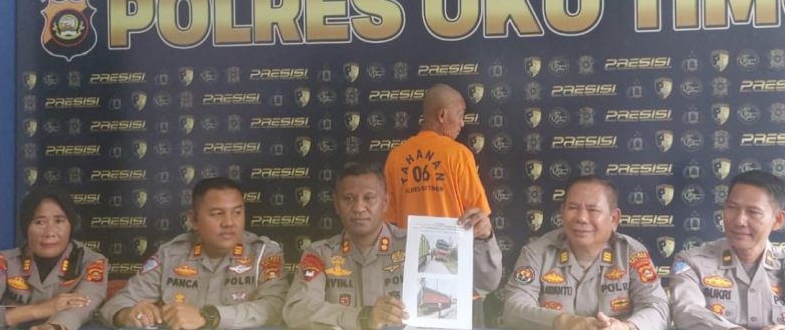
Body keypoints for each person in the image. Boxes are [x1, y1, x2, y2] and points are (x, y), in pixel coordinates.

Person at [284, 163, 501, 330]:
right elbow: (296, 310)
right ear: (336, 204)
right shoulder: (320, 254)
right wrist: (363, 317)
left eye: (369, 198)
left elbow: (484, 284)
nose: (359, 207)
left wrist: (484, 240)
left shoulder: (418, 244)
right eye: (349, 199)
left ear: (386, 202)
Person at [669, 170, 785, 330]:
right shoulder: (692, 263)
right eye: (732, 208)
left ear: (777, 220)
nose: (739, 220)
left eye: (753, 212)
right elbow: (685, 312)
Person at [100, 177, 287, 329]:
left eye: (237, 212)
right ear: (194, 220)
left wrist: (209, 316)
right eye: (217, 214)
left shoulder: (264, 253)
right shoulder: (171, 254)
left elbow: (275, 308)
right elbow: (117, 303)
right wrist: (127, 314)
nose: (229, 223)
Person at [503, 177, 669, 330]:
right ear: (562, 212)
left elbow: (657, 308)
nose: (581, 218)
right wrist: (563, 322)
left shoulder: (631, 253)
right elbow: (513, 309)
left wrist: (627, 327)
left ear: (614, 218)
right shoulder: (537, 252)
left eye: (593, 210)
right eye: (573, 208)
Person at [0, 186, 108, 330]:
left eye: (59, 221)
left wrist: (54, 326)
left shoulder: (91, 262)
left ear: (71, 225)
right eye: (40, 222)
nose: (50, 232)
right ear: (26, 227)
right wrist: (38, 310)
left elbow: (83, 308)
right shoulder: (5, 261)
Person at [383, 83, 491, 228]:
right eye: (460, 115)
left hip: (407, 242)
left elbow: (389, 219)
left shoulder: (395, 156)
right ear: (442, 115)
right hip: (451, 242)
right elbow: (478, 216)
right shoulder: (459, 154)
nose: (462, 123)